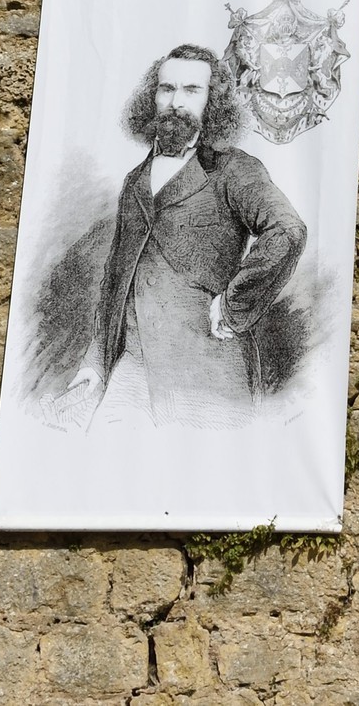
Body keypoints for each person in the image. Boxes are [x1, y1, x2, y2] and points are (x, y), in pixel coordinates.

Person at [54, 44, 306, 430]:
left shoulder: (234, 170)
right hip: (133, 373)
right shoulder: (135, 180)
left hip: (208, 377)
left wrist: (233, 305)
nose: (175, 101)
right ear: (152, 97)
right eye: (166, 88)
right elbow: (115, 280)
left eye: (192, 90)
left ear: (213, 102)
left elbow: (287, 231)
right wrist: (96, 361)